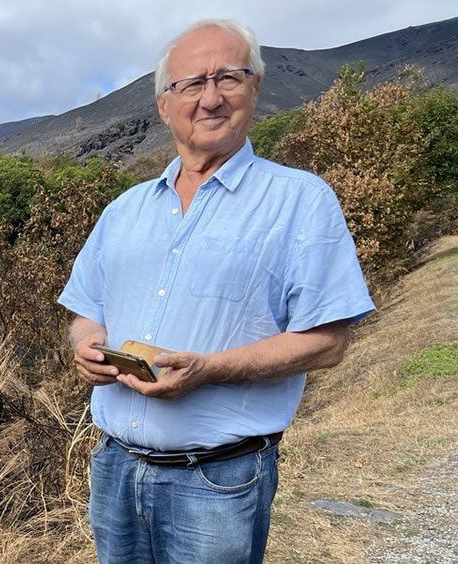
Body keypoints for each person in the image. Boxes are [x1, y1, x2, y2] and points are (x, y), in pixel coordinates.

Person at [57, 19, 375, 564]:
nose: (210, 97)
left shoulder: (299, 201)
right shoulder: (123, 210)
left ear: (254, 88)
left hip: (217, 479)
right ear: (164, 104)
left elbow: (328, 341)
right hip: (114, 469)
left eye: (228, 77)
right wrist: (85, 346)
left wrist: (211, 370)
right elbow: (86, 310)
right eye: (191, 83)